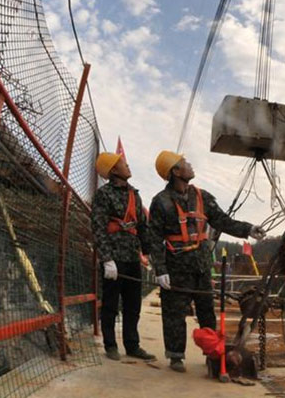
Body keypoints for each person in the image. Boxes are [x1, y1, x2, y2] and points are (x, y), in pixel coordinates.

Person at [148, 151, 266, 373]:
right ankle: (175, 356)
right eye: (184, 163)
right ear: (175, 171)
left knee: (207, 313)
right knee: (174, 313)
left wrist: (248, 229)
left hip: (202, 267)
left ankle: (213, 355)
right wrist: (159, 269)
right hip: (176, 268)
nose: (189, 164)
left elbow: (223, 221)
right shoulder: (160, 202)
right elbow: (154, 238)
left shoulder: (202, 197)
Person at [91, 152, 156, 362]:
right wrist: (106, 258)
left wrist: (147, 252)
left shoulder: (134, 195)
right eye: (122, 163)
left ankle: (132, 345)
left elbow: (142, 226)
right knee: (110, 304)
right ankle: (110, 345)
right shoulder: (104, 194)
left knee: (133, 305)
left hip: (131, 257)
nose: (127, 165)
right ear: (113, 170)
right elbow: (99, 227)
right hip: (114, 258)